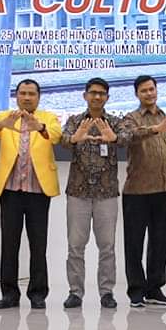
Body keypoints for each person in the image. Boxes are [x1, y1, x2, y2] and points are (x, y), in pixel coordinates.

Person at [0, 78, 64, 309]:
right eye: (23, 93)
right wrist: (3, 124)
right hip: (10, 190)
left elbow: (56, 135)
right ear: (16, 96)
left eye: (31, 94)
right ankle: (9, 294)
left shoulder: (48, 117)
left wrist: (39, 127)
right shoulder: (6, 116)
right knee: (9, 245)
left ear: (38, 97)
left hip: (38, 190)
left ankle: (38, 294)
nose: (27, 97)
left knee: (38, 245)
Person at [61, 77, 122, 310]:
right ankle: (75, 292)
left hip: (107, 193)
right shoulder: (75, 121)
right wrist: (74, 138)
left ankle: (106, 292)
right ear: (85, 95)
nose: (97, 97)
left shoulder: (114, 122)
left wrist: (115, 138)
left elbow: (128, 137)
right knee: (75, 246)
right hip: (78, 192)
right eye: (93, 92)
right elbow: (63, 140)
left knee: (107, 247)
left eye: (101, 93)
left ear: (107, 97)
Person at [117, 74, 166, 308]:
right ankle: (136, 290)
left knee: (160, 243)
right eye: (144, 90)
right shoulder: (130, 118)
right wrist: (154, 129)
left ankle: (154, 289)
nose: (149, 93)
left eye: (151, 89)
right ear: (137, 94)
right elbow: (124, 138)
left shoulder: (165, 117)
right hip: (137, 191)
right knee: (134, 244)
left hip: (163, 189)